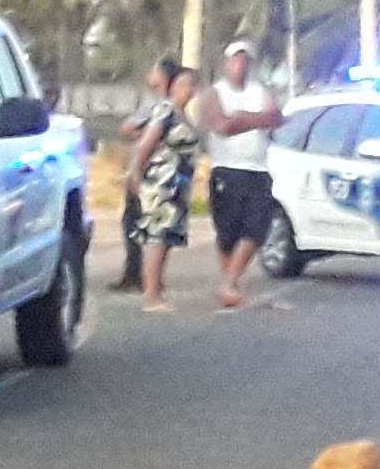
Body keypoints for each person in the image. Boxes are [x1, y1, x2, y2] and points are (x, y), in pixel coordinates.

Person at [194, 40, 284, 312]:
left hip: (257, 169)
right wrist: (254, 119)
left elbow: (276, 118)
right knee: (228, 232)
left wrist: (241, 118)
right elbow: (221, 126)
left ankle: (229, 283)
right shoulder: (214, 93)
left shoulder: (260, 91)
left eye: (245, 60)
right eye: (236, 59)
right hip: (226, 169)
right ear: (227, 62)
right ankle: (229, 285)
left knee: (257, 227)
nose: (240, 65)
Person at [121, 55, 200, 308]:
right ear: (173, 84)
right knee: (157, 238)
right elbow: (146, 144)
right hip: (161, 184)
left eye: (193, 86)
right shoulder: (164, 110)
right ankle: (151, 296)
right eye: (185, 84)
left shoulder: (181, 114)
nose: (190, 90)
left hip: (177, 185)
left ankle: (157, 289)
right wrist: (135, 173)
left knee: (166, 238)